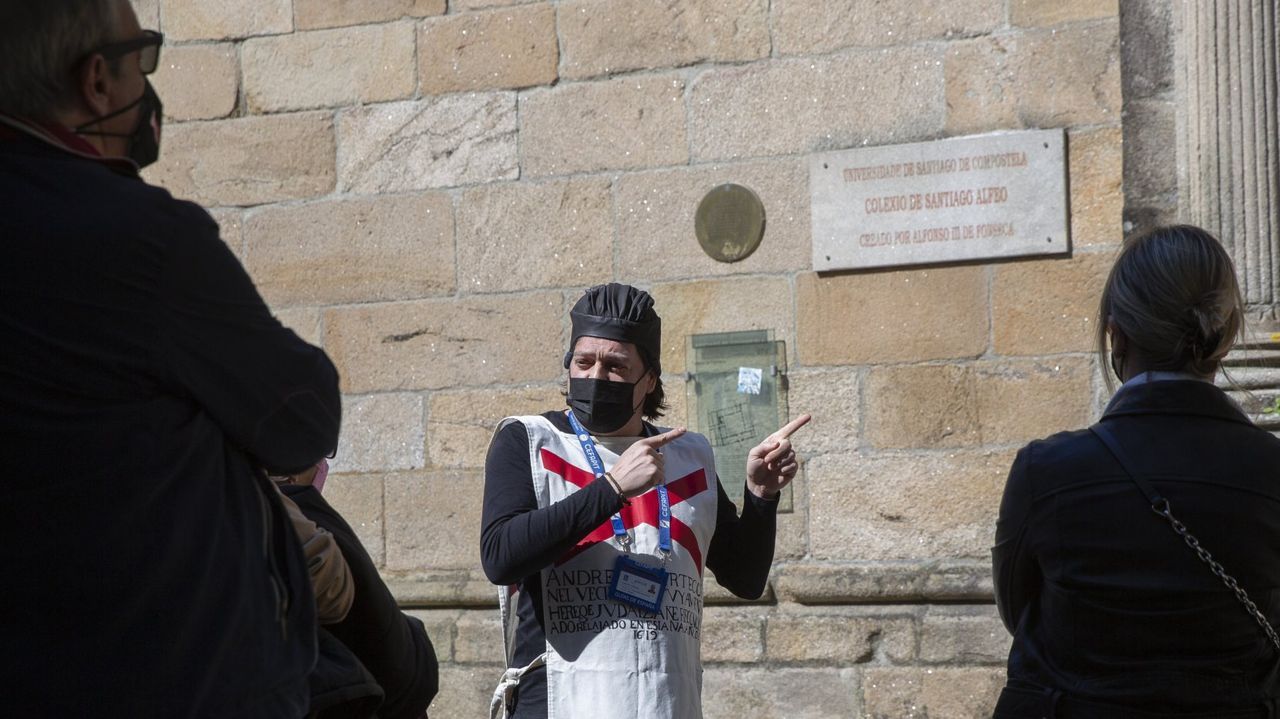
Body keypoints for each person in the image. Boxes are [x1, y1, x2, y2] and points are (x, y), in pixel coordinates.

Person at [0, 2, 341, 716]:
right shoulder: (140, 238)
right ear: (97, 79)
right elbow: (302, 416)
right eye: (142, 59)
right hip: (170, 677)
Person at [481, 283, 809, 719]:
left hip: (666, 705)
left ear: (649, 379)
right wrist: (612, 488)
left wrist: (762, 495)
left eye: (615, 366)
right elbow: (501, 557)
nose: (596, 376)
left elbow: (745, 579)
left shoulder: (688, 455)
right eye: (584, 361)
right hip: (560, 703)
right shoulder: (528, 440)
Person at [992, 225, 1280, 716]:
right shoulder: (1271, 471)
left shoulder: (1046, 470)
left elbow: (1017, 611)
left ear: (1116, 334)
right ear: (1226, 337)